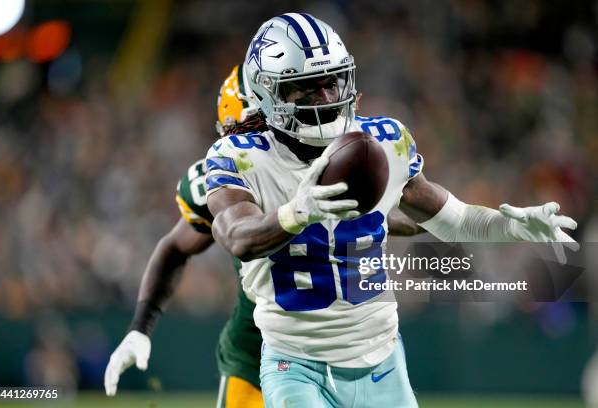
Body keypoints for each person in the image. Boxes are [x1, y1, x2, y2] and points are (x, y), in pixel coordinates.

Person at [205, 13, 578, 408]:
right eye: (306, 88)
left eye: (332, 82)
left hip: (381, 359)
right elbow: (236, 237)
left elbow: (453, 220)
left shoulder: (382, 143)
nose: (328, 99)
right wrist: (297, 213)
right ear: (269, 93)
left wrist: (512, 227)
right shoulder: (242, 157)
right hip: (295, 366)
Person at [103, 64, 423, 407]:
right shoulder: (228, 176)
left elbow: (394, 217)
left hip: (342, 344)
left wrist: (452, 216)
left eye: (252, 126)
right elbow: (175, 247)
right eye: (241, 129)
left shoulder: (335, 161)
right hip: (257, 350)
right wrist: (140, 327)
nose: (247, 139)